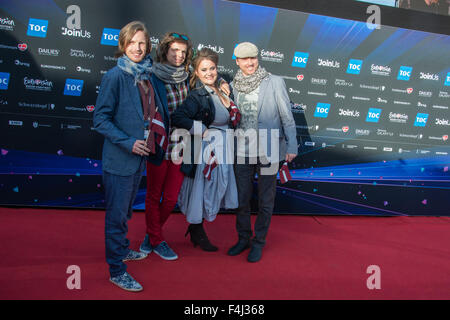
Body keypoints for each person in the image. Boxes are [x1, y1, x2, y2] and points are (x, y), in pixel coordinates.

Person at [139, 33, 231, 260]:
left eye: (182, 51)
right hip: (160, 144)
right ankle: (157, 239)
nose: (178, 55)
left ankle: (153, 234)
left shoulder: (188, 76)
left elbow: (209, 78)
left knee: (171, 198)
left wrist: (222, 82)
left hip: (184, 146)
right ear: (164, 50)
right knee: (153, 195)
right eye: (174, 50)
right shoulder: (151, 76)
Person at [94, 21, 157, 292]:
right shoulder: (115, 76)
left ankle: (120, 249)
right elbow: (100, 119)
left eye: (141, 43)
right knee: (117, 216)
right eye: (132, 43)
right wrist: (129, 142)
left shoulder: (146, 75)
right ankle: (116, 270)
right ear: (123, 45)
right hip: (120, 158)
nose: (137, 48)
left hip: (138, 160)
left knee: (126, 212)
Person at [227, 42, 298, 263]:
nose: (250, 62)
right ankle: (243, 239)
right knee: (242, 199)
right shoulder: (231, 86)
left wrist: (292, 146)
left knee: (266, 200)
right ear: (237, 61)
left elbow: (286, 116)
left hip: (270, 150)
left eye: (253, 58)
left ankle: (259, 242)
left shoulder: (275, 82)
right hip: (241, 150)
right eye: (245, 59)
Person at [171, 48, 240, 252]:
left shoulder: (222, 89)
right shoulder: (197, 95)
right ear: (197, 73)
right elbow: (178, 117)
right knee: (203, 190)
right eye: (204, 69)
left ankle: (196, 229)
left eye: (212, 68)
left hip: (224, 148)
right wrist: (202, 130)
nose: (209, 72)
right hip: (207, 150)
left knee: (215, 188)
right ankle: (196, 230)